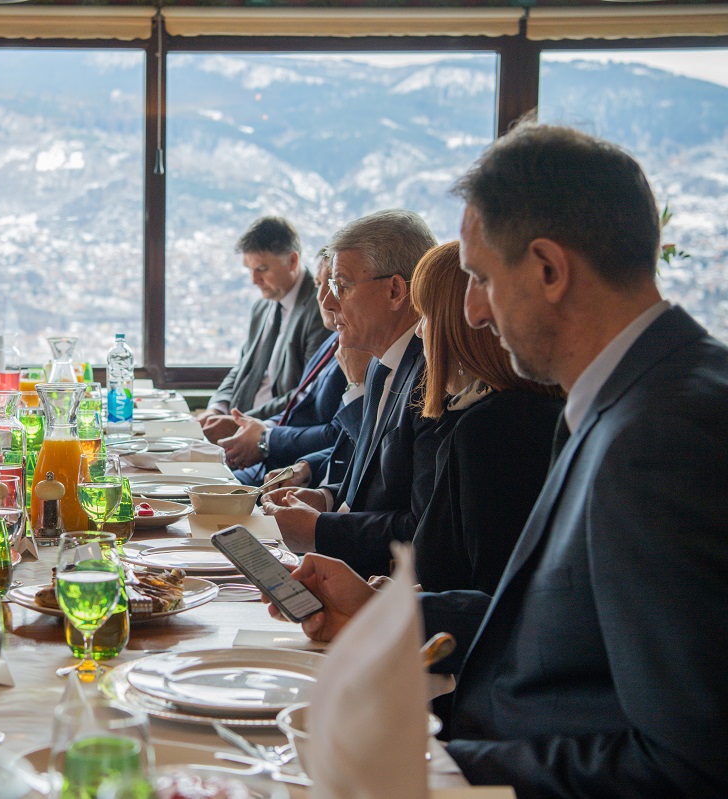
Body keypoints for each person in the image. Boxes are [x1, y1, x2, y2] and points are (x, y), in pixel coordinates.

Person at [274, 125, 728, 797]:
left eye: (481, 279)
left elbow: (687, 766)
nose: (474, 312)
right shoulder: (625, 397)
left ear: (548, 269)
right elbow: (560, 630)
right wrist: (385, 611)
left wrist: (447, 771)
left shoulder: (661, 439)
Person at [262, 210, 440, 579]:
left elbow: (422, 528)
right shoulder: (378, 365)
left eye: (340, 285)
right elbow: (373, 481)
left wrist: (319, 529)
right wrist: (325, 498)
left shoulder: (433, 377)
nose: (327, 303)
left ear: (395, 291)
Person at [408, 241, 563, 595]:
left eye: (426, 315)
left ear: (463, 325)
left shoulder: (493, 431)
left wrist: (405, 609)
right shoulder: (484, 416)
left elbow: (495, 601)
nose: (420, 331)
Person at [221, 247, 370, 485]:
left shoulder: (360, 349)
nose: (322, 298)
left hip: (292, 470)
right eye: (318, 284)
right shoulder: (333, 340)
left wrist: (265, 438)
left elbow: (341, 435)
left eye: (336, 286)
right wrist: (261, 427)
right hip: (276, 460)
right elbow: (300, 403)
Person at [198, 217, 330, 444]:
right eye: (249, 270)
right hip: (237, 425)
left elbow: (307, 392)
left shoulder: (319, 309)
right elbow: (242, 368)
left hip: (273, 434)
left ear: (292, 261)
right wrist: (217, 408)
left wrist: (242, 422)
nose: (254, 280)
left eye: (262, 269)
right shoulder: (262, 308)